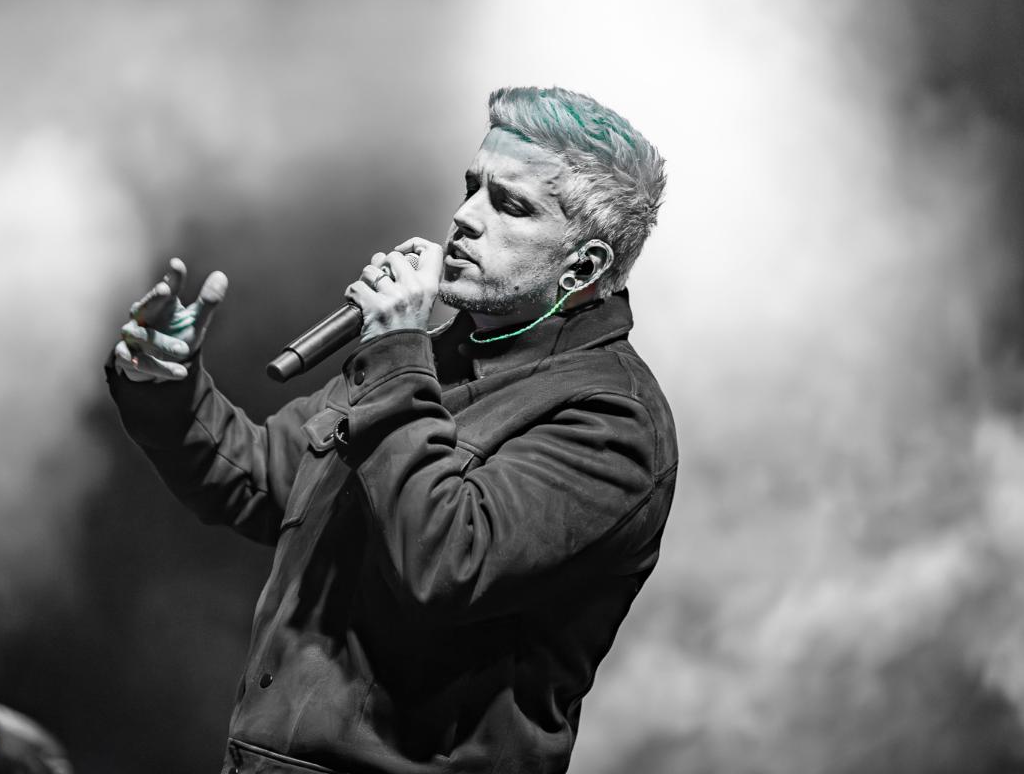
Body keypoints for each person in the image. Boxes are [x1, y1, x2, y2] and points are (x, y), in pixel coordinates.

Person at [106, 85, 677, 774]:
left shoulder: (612, 420)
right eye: (472, 187)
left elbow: (446, 561)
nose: (464, 217)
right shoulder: (425, 357)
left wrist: (396, 354)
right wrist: (167, 385)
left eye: (510, 205)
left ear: (584, 266)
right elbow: (258, 479)